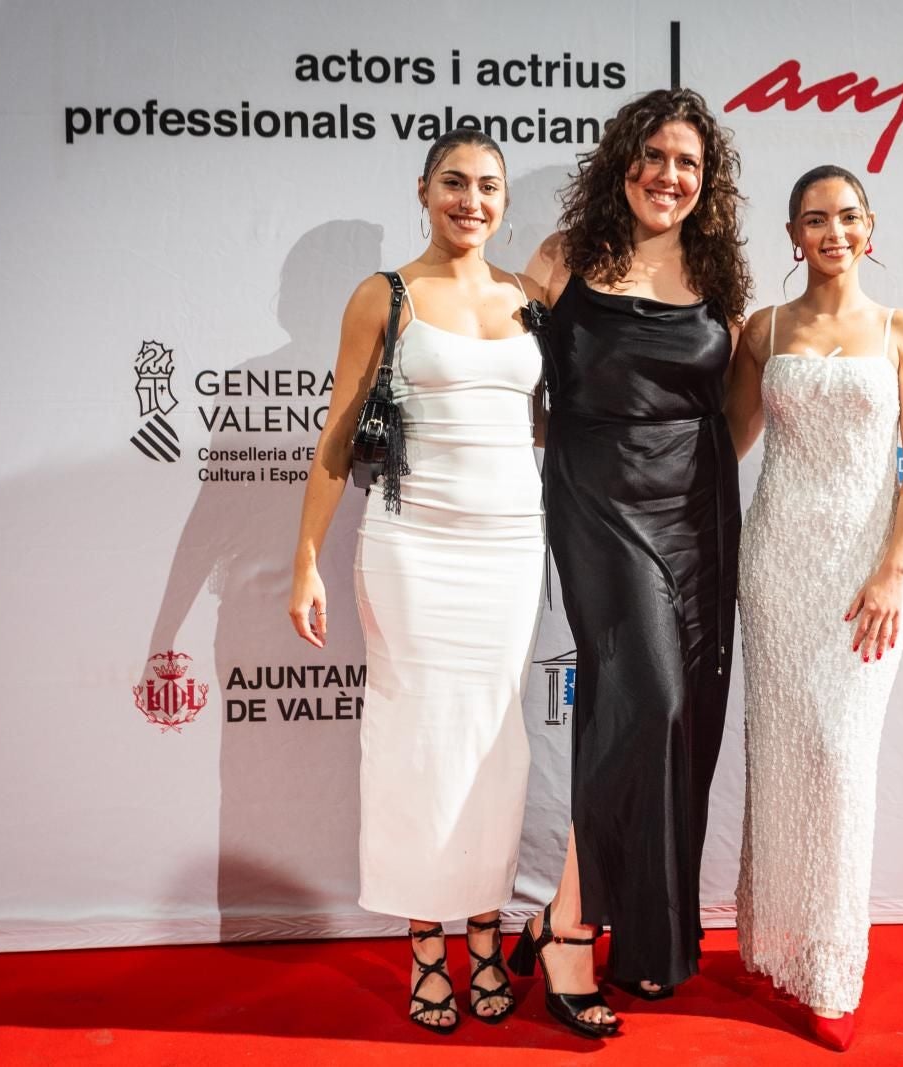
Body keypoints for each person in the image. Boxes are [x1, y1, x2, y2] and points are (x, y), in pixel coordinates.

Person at [287, 129, 547, 1035]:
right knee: (418, 743)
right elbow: (336, 435)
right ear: (424, 190)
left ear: (505, 200)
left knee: (493, 744)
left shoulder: (529, 297)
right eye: (454, 183)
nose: (471, 201)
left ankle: (487, 933)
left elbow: (550, 424)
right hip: (413, 550)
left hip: (513, 548)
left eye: (487, 187)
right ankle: (427, 950)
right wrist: (307, 559)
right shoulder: (384, 295)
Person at [509, 87, 751, 1038]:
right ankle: (570, 927)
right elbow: (510, 376)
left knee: (676, 719)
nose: (669, 175)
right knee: (643, 697)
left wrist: (705, 487)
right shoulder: (564, 260)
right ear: (623, 162)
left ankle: (633, 932)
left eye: (689, 163)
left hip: (695, 509)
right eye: (654, 156)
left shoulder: (720, 277)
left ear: (708, 181)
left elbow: (735, 408)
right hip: (597, 499)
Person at [725, 164, 903, 1052]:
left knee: (841, 760)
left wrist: (895, 567)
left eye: (848, 216)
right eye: (815, 219)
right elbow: (729, 441)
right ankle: (778, 945)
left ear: (871, 226)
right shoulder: (763, 329)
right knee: (781, 757)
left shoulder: (901, 329)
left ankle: (834, 969)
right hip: (776, 565)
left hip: (863, 576)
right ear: (792, 235)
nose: (834, 232)